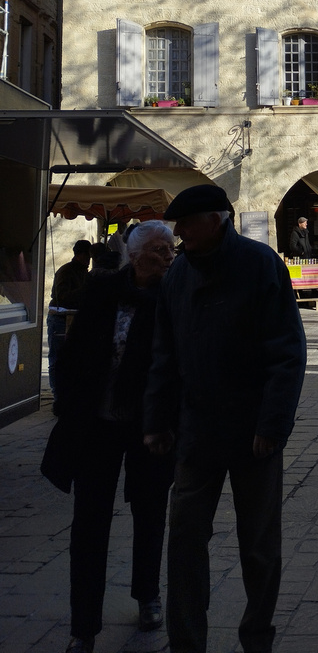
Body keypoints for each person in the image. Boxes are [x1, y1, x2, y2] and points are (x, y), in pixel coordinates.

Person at [143, 185, 307, 653]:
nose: (178, 234)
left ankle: (257, 636)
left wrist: (272, 425)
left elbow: (287, 352)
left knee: (258, 544)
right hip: (196, 431)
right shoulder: (177, 278)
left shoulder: (259, 265)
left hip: (254, 432)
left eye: (187, 224)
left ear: (216, 221)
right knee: (185, 540)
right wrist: (157, 419)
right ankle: (186, 640)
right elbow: (164, 354)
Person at [42, 222, 177, 653]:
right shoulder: (103, 290)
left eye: (171, 249)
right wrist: (69, 401)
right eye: (159, 250)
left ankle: (148, 594)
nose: (168, 256)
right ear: (135, 257)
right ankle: (84, 626)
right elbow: (74, 348)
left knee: (150, 510)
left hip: (149, 427)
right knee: (89, 523)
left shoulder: (174, 298)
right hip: (96, 424)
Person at [47, 239, 92, 399]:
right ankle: (57, 396)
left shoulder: (84, 272)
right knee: (57, 359)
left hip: (72, 318)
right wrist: (84, 291)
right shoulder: (66, 271)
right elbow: (61, 297)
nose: (89, 260)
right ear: (79, 255)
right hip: (60, 319)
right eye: (87, 256)